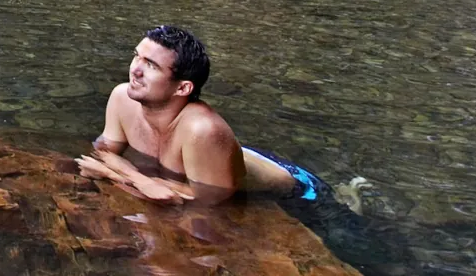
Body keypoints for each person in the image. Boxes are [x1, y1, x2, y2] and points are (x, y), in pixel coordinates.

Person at [75, 24, 324, 206]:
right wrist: (133, 176)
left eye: (151, 65)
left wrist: (121, 174)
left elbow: (208, 200)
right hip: (226, 159)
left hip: (299, 193)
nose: (135, 70)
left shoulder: (202, 130)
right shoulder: (122, 97)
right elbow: (103, 152)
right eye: (136, 56)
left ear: (183, 88)